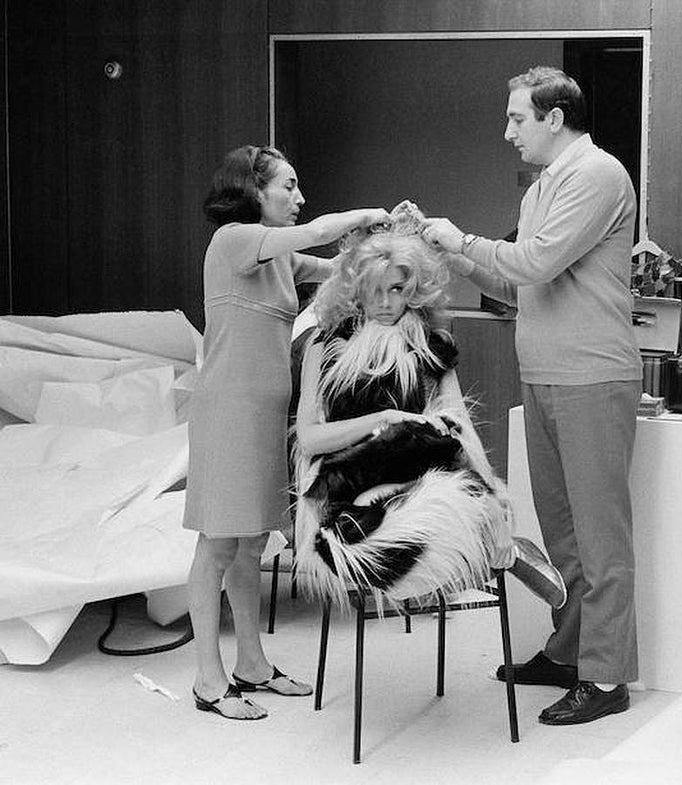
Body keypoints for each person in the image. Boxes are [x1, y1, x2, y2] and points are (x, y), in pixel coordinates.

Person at [421, 65, 642, 726]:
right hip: (546, 374)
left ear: (554, 117)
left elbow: (538, 260)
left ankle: (605, 678)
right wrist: (450, 253)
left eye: (518, 118)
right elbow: (522, 284)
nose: (508, 131)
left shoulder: (598, 174)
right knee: (563, 529)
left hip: (593, 375)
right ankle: (570, 649)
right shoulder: (542, 187)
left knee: (600, 536)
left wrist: (458, 237)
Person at [185, 144, 392, 720]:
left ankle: (251, 664)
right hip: (229, 411)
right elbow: (323, 231)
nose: (300, 200)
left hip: (266, 415)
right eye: (289, 187)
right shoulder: (234, 240)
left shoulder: (278, 258)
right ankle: (208, 680)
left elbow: (344, 274)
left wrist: (392, 242)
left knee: (252, 542)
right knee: (218, 544)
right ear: (254, 191)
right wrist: (361, 216)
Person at [290, 219, 566, 611]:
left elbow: (459, 427)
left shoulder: (431, 345)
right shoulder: (327, 343)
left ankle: (491, 532)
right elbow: (310, 439)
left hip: (416, 479)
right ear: (356, 290)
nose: (385, 303)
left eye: (397, 290)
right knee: (412, 433)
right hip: (347, 495)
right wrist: (384, 419)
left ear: (414, 290)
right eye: (375, 291)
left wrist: (492, 498)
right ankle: (494, 546)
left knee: (439, 435)